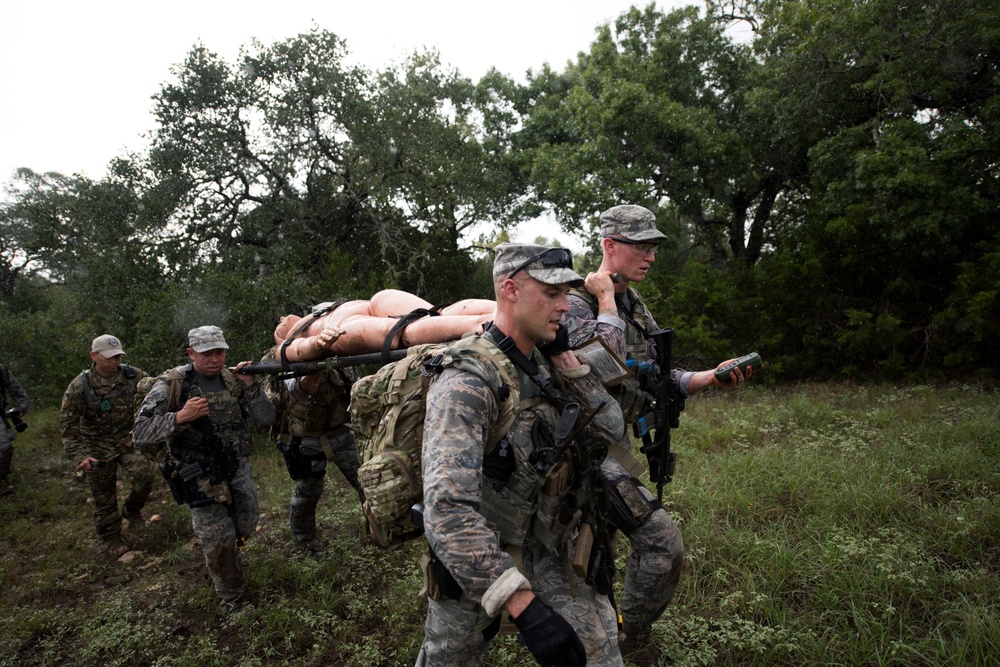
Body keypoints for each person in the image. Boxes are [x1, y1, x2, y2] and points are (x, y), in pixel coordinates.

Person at [415, 243, 627, 667]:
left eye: (568, 293)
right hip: (478, 555)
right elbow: (447, 511)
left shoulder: (546, 359)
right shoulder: (466, 382)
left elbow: (612, 431)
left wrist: (567, 364)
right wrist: (523, 605)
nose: (565, 305)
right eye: (551, 294)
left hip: (548, 545)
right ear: (510, 289)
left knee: (599, 655)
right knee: (450, 659)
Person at [563, 204, 753, 665]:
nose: (649, 255)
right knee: (660, 543)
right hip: (580, 450)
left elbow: (652, 374)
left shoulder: (634, 305)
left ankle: (616, 633)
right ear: (609, 246)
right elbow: (600, 368)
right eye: (640, 245)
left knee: (598, 552)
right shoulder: (572, 303)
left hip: (616, 445)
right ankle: (621, 640)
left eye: (653, 246)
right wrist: (605, 300)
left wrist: (707, 377)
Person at [132, 326, 274, 608]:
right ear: (191, 353)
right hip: (199, 473)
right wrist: (179, 417)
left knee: (246, 522)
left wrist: (251, 387)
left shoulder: (232, 380)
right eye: (207, 353)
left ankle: (229, 558)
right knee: (218, 536)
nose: (215, 359)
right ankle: (232, 597)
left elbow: (266, 419)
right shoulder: (171, 384)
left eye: (220, 352)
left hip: (237, 466)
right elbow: (140, 432)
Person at [263, 324, 364, 553]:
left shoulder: (343, 356)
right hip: (307, 439)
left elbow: (357, 386)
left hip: (340, 432)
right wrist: (315, 358)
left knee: (366, 480)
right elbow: (301, 389)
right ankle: (303, 543)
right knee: (307, 493)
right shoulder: (291, 354)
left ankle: (381, 530)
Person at [60, 335, 154, 558]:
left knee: (146, 474)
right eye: (110, 358)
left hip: (128, 439)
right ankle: (111, 537)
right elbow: (68, 426)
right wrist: (79, 456)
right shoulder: (79, 387)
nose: (115, 362)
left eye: (118, 357)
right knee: (103, 494)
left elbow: (155, 388)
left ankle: (132, 510)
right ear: (94, 356)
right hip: (97, 445)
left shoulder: (132, 375)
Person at [0, 362, 30, 496]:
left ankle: (2, 477)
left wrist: (22, 407)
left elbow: (16, 389)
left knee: (4, 447)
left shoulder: (1, 370)